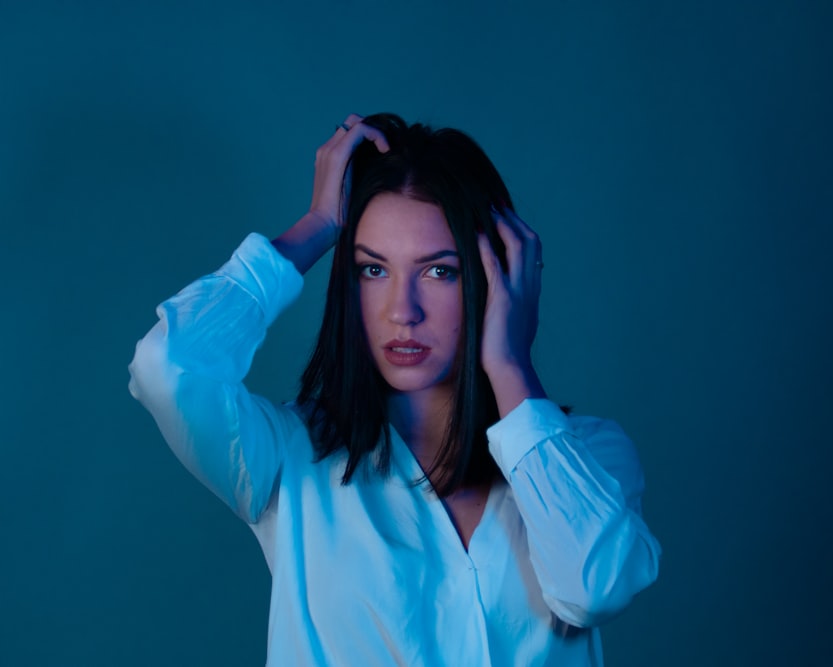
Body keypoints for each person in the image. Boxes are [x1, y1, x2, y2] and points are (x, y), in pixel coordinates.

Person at [128, 112, 661, 666]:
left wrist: (509, 363)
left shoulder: (591, 457)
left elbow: (595, 587)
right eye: (372, 270)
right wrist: (316, 227)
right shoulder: (290, 461)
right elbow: (167, 367)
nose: (402, 311)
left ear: (495, 276)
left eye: (439, 272)